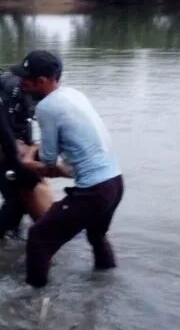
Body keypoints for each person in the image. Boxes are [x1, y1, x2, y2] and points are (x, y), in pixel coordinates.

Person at [12, 50, 124, 287]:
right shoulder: (73, 94)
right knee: (96, 235)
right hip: (115, 182)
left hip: (94, 191)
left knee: (38, 237)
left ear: (42, 81)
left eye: (26, 78)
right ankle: (106, 282)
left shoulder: (46, 107)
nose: (21, 82)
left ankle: (33, 299)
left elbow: (49, 162)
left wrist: (28, 155)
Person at [0, 71, 54, 238]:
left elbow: (25, 124)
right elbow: (5, 131)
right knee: (14, 198)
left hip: (11, 141)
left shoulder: (31, 94)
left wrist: (30, 152)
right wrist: (23, 163)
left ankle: (14, 234)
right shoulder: (13, 94)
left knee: (24, 192)